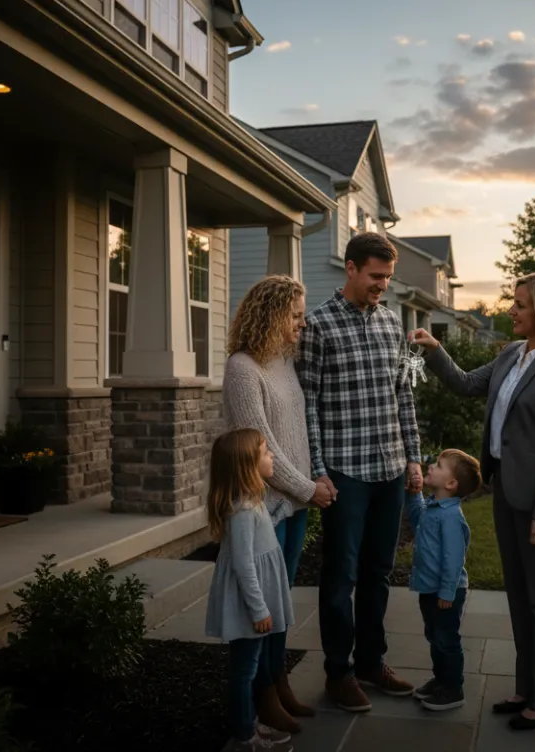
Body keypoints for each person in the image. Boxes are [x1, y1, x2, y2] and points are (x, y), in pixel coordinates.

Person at [409, 270, 535, 732]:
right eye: (514, 302)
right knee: (519, 596)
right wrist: (435, 349)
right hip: (505, 490)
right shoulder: (512, 354)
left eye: (520, 304)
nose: (511, 310)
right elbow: (467, 384)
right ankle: (526, 688)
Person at [296, 232, 424, 712]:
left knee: (379, 572)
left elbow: (404, 394)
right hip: (345, 472)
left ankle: (372, 662)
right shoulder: (317, 326)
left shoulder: (392, 323)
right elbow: (308, 405)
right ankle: (338, 673)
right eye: (375, 276)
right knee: (340, 576)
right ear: (350, 268)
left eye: (387, 278)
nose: (382, 285)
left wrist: (413, 457)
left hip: (390, 469)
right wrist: (318, 471)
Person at [223, 275, 337, 731]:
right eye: (294, 316)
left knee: (282, 602)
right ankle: (261, 695)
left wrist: (313, 481)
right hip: (265, 508)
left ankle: (278, 683)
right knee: (264, 603)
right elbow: (261, 443)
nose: (302, 324)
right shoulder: (242, 369)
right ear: (270, 315)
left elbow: (298, 429)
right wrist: (307, 488)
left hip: (295, 504)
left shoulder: (285, 361)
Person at [204, 428, 297, 752]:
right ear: (247, 466)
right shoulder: (242, 511)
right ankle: (245, 735)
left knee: (250, 666)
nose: (272, 457)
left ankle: (249, 722)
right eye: (266, 453)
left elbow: (259, 537)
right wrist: (259, 610)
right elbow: (244, 564)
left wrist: (279, 513)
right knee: (245, 670)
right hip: (248, 605)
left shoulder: (251, 503)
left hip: (253, 601)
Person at [406, 449, 481, 712]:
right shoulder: (433, 507)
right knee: (434, 636)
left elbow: (453, 560)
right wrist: (414, 493)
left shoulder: (450, 517)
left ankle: (452, 689)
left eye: (438, 465)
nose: (430, 466)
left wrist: (447, 593)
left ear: (451, 484)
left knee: (447, 640)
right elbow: (417, 518)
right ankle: (441, 680)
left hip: (447, 592)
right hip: (430, 588)